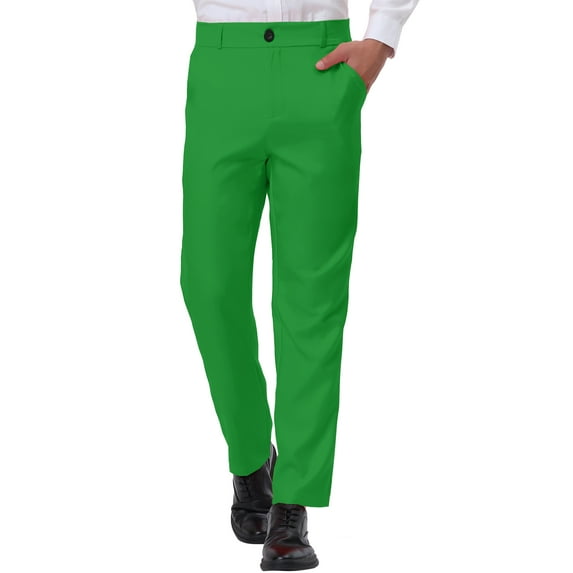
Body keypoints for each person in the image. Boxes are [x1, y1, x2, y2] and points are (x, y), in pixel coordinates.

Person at [180, 1, 419, 570]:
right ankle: (250, 455)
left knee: (312, 298)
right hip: (223, 67)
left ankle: (292, 502)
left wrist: (382, 36)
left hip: (322, 63)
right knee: (208, 284)